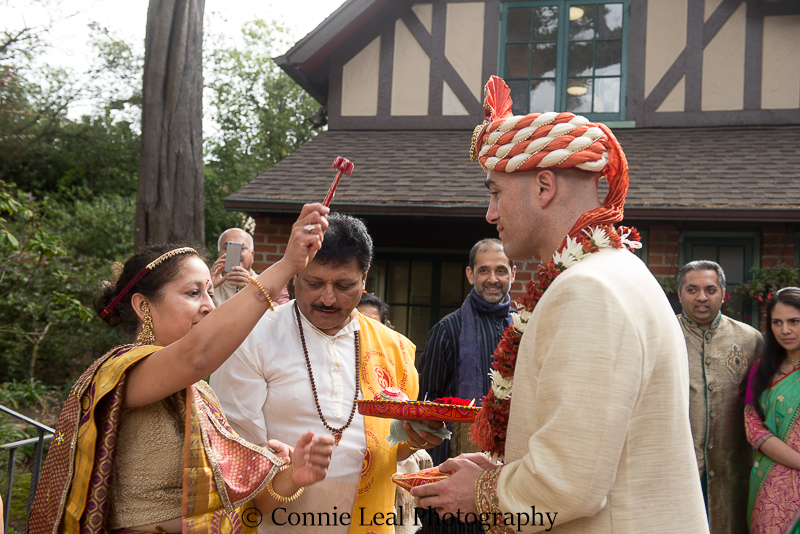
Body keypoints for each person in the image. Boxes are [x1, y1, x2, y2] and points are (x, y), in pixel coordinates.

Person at [412, 76, 708, 533]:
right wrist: (501, 469)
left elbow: (570, 483)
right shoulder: (616, 272)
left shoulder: (587, 290)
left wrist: (480, 492)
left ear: (544, 186)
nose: (490, 214)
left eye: (495, 193)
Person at [28, 204, 335, 534]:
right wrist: (288, 265)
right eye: (193, 293)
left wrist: (293, 476)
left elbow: (251, 504)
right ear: (143, 305)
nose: (209, 306)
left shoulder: (201, 391)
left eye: (211, 292)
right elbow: (197, 356)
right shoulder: (120, 372)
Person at [210, 213, 443, 534]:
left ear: (365, 278)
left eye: (345, 285)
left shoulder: (395, 348)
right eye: (314, 283)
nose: (327, 298)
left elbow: (392, 444)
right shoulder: (252, 339)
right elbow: (234, 459)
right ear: (294, 276)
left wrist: (413, 438)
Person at [415, 238, 516, 534]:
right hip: (454, 472)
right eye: (484, 271)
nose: (493, 279)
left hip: (512, 473)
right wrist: (437, 477)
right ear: (470, 275)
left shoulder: (527, 327)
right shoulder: (448, 330)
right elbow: (427, 408)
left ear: (513, 273)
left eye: (501, 270)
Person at [677, 260, 762, 534]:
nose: (702, 297)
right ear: (679, 294)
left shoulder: (751, 341)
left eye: (710, 289)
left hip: (732, 471)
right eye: (692, 289)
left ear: (723, 293)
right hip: (677, 470)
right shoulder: (664, 335)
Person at [745, 288, 800, 533]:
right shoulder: (761, 370)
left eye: (794, 321)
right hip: (770, 487)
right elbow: (752, 426)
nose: (785, 330)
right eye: (777, 322)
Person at [211, 227, 257, 306]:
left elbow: (275, 315)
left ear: (252, 255)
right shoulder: (210, 284)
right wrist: (208, 286)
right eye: (228, 248)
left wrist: (252, 290)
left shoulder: (267, 285)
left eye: (241, 248)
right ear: (219, 254)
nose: (235, 253)